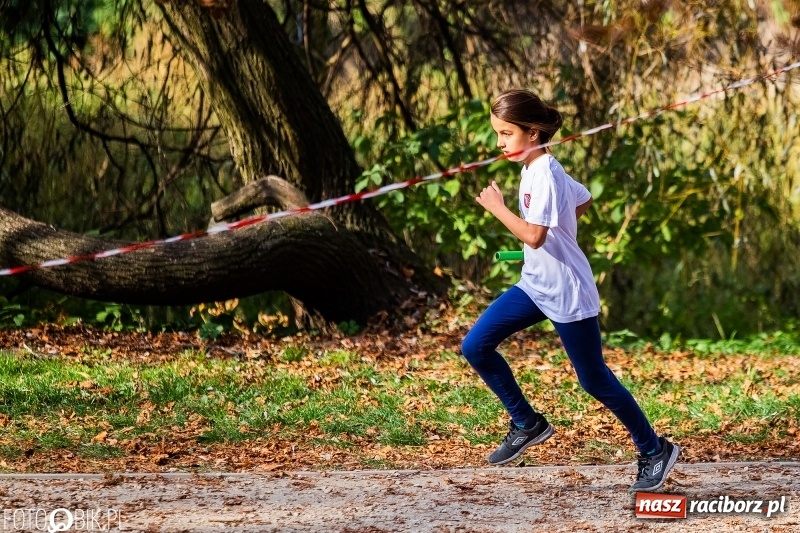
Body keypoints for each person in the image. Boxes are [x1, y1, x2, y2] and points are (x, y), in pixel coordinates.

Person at [461, 89, 679, 492]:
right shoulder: (534, 168)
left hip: (567, 291)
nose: (499, 143)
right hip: (535, 285)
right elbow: (583, 199)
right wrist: (564, 225)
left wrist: (497, 207)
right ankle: (527, 423)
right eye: (498, 134)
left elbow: (535, 235)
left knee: (593, 379)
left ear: (532, 131)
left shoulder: (544, 171)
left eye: (506, 134)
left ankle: (654, 450)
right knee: (475, 346)